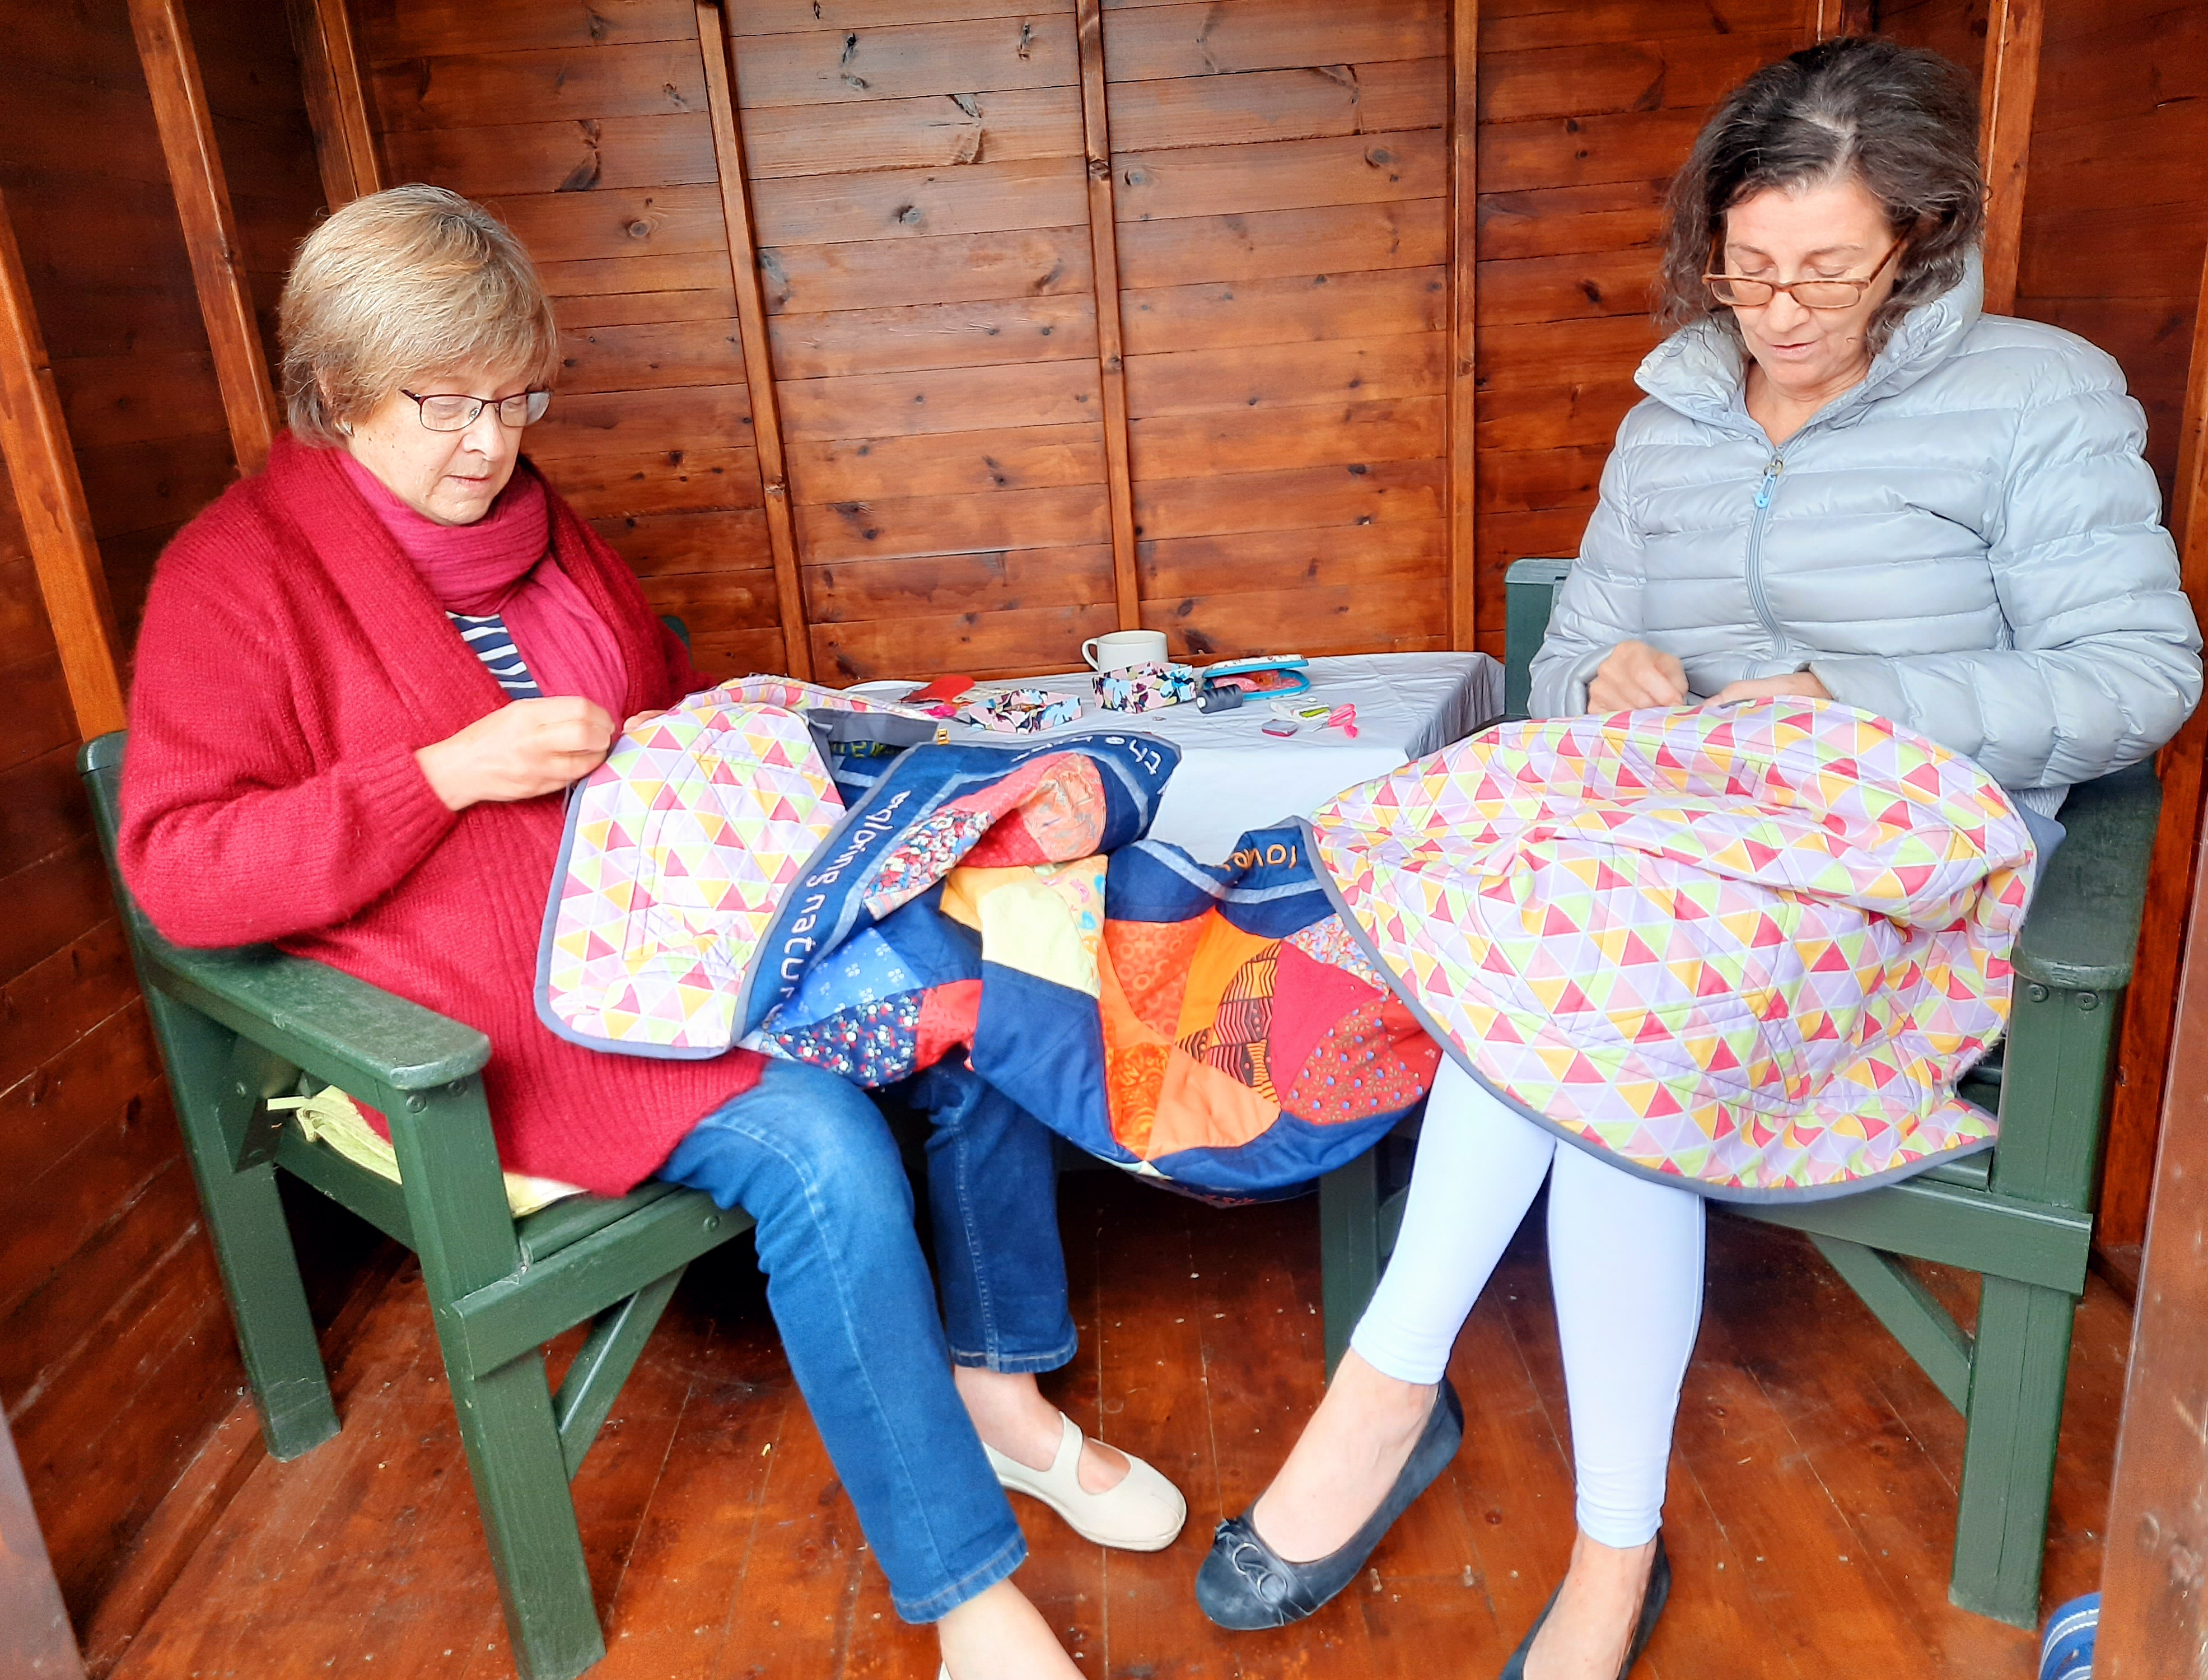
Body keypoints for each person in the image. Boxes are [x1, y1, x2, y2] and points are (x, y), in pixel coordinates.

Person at [1192, 36, 2201, 1679]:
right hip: (1678, 853)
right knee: (1588, 978)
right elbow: (1569, 658)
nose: (1779, 314)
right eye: (1746, 268)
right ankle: (1590, 1529)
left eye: (1829, 272)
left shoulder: (2038, 394)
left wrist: (1854, 699)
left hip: (1897, 871)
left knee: (1606, 1002)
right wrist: (1607, 676)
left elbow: (2140, 677)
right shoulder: (1672, 410)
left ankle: (1397, 1405)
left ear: (1923, 238)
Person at [115, 184, 1183, 1680]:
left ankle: (998, 1393)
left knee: (982, 985)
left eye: (515, 398)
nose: (490, 442)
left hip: (686, 933)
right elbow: (179, 870)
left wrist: (779, 753)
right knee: (822, 1151)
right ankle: (965, 1598)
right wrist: (438, 776)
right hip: (505, 1013)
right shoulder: (236, 575)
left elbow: (659, 706)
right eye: (445, 403)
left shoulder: (541, 528)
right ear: (338, 388)